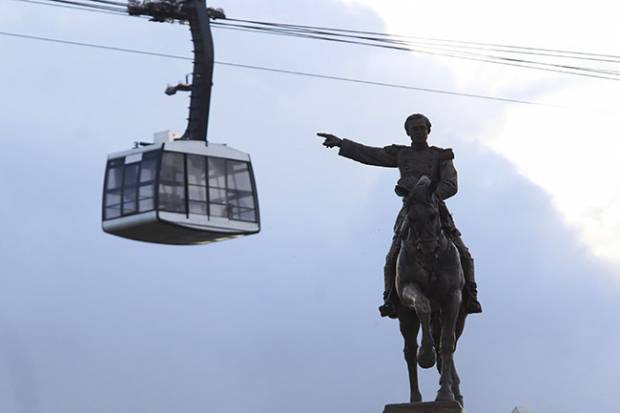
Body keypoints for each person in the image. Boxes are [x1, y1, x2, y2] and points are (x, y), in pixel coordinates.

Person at [317, 113, 482, 316]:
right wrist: (342, 144)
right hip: (410, 211)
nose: (419, 132)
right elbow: (371, 154)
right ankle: (389, 298)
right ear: (408, 133)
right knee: (393, 253)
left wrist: (432, 196)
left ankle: (471, 295)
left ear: (429, 130)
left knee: (463, 252)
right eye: (414, 129)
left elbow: (451, 183)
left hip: (436, 210)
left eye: (422, 128)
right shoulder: (401, 154)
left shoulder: (441, 156)